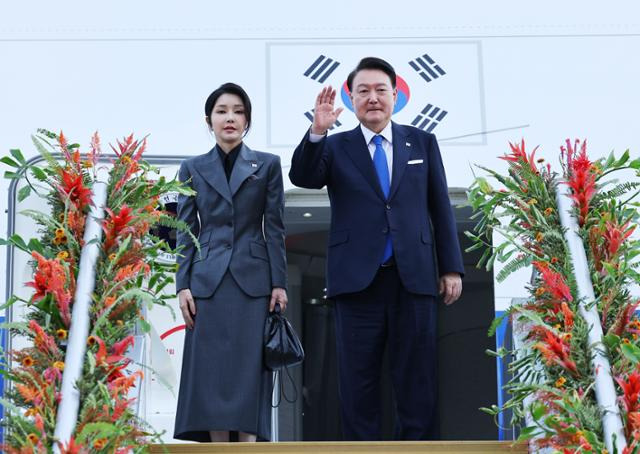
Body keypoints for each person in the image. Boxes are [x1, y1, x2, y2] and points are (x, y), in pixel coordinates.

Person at [289, 57, 464, 441]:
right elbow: (303, 176)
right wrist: (317, 131)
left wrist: (450, 267)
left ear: (395, 95)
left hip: (414, 279)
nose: (372, 98)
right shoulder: (335, 146)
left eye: (380, 90)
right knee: (357, 386)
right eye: (363, 91)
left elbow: (439, 206)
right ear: (351, 99)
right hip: (357, 283)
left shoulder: (421, 142)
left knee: (417, 382)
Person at [173, 82, 287, 442]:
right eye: (222, 111)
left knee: (247, 371)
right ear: (209, 120)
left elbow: (276, 228)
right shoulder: (191, 167)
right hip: (206, 282)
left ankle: (249, 448)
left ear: (247, 120)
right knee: (212, 373)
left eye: (238, 111)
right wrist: (182, 285)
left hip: (254, 282)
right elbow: (184, 230)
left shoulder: (267, 164)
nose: (230, 118)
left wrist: (279, 282)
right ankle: (219, 449)